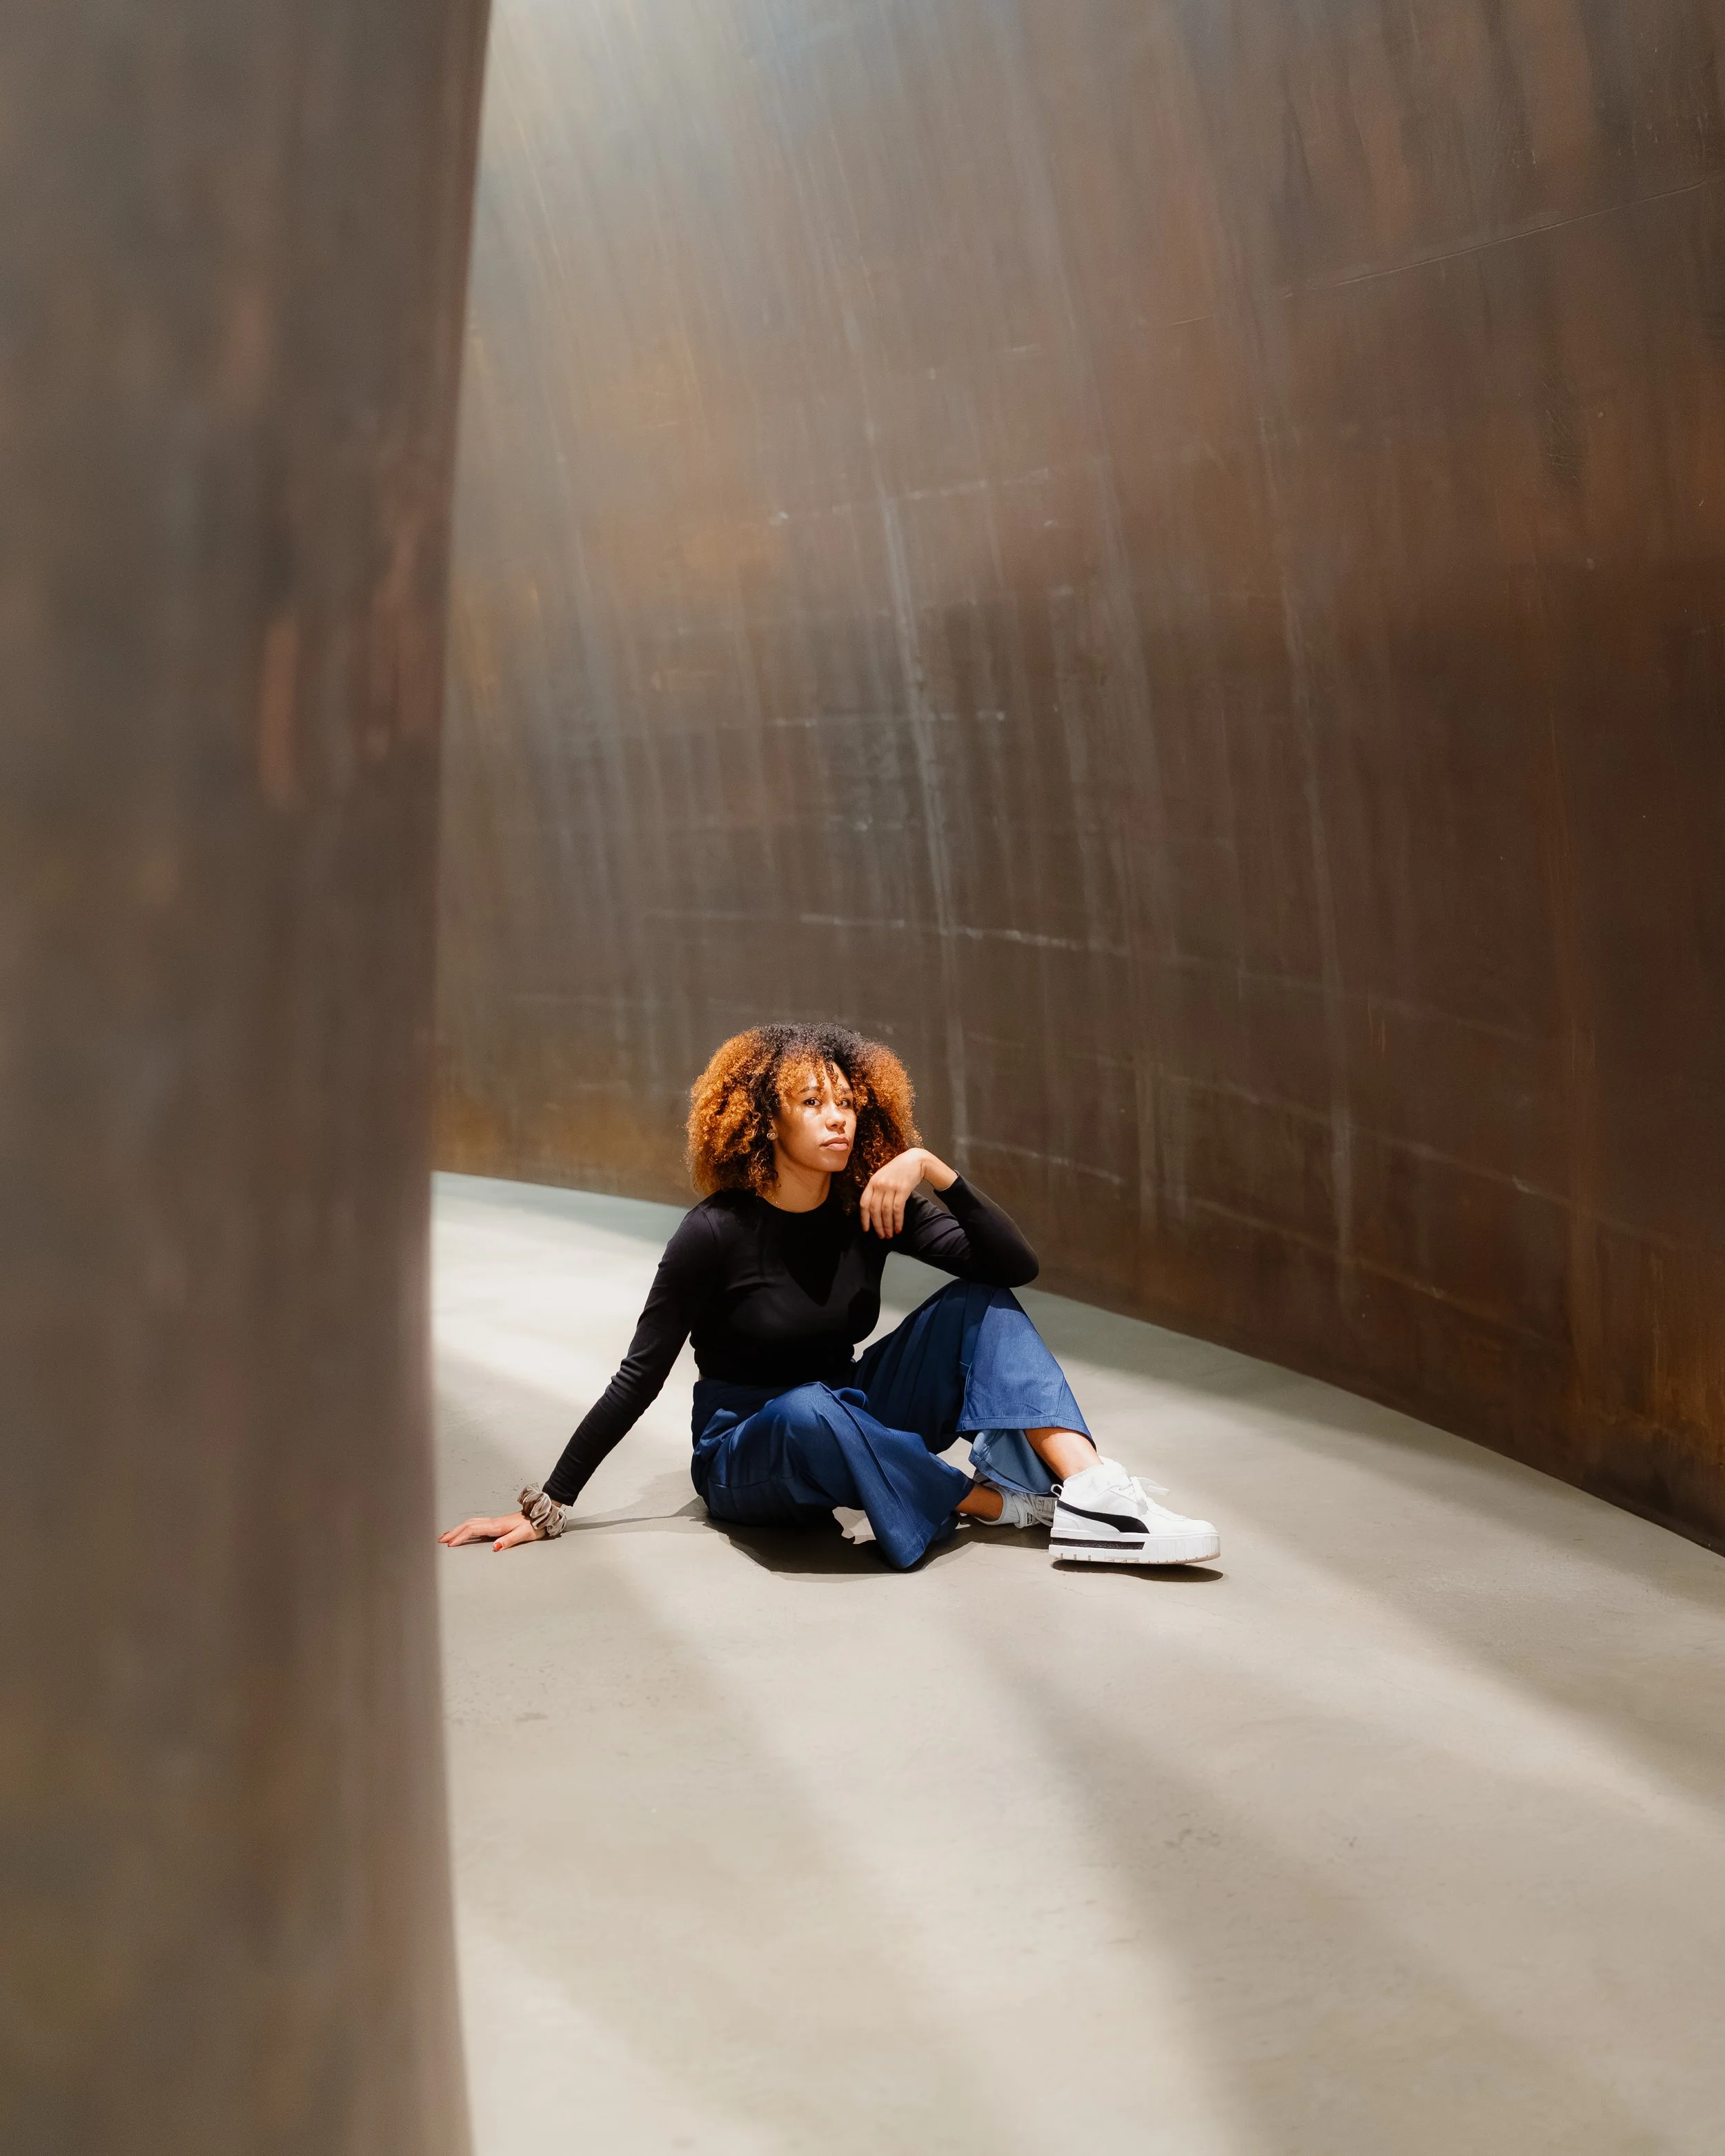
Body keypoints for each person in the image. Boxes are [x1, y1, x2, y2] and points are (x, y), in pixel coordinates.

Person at [440, 1023, 1220, 1572]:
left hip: (856, 1406)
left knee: (978, 1305)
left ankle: (1091, 1498)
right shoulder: (712, 1233)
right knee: (810, 1407)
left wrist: (932, 1169)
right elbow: (638, 1373)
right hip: (750, 1445)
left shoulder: (872, 1202)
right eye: (811, 1101)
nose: (836, 1116)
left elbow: (1012, 1266)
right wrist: (549, 1504)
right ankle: (997, 1502)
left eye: (846, 1101)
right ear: (764, 1118)